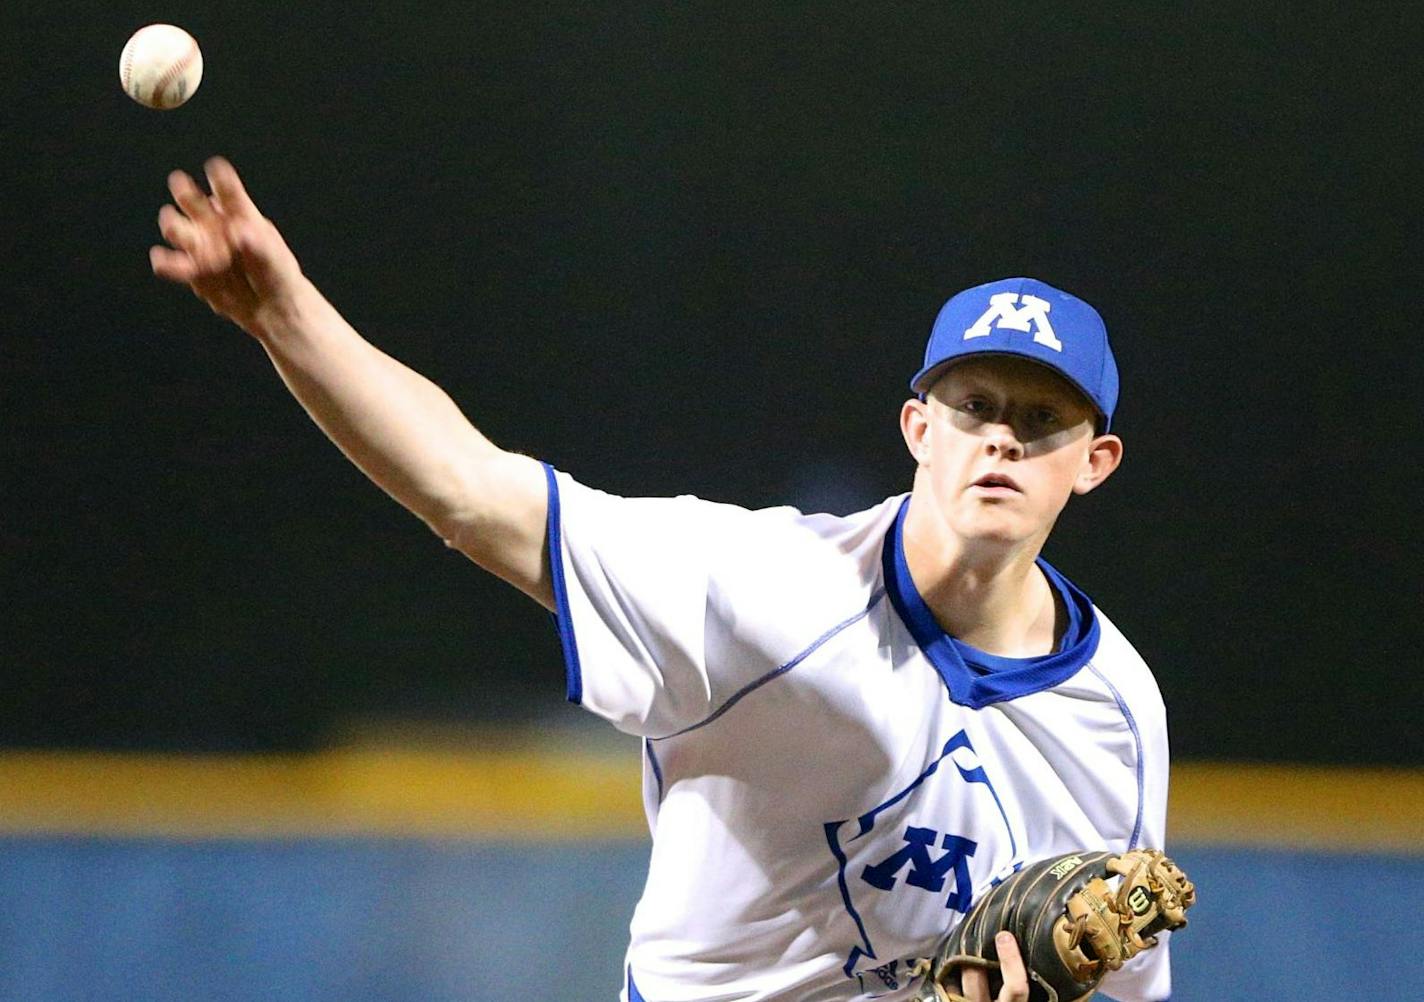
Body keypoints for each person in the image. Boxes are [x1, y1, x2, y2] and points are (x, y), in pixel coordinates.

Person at [152, 158, 1173, 1002]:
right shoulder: (771, 592)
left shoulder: (1116, 712)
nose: (999, 438)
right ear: (916, 428)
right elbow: (469, 492)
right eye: (973, 405)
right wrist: (284, 314)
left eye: (1040, 421)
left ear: (1094, 462)